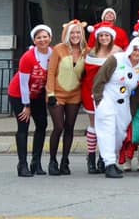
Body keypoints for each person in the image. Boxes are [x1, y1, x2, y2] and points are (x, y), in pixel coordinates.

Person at [93, 37, 139, 178]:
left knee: (119, 135)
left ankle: (109, 160)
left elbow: (138, 91)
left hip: (123, 104)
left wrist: (132, 110)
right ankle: (109, 163)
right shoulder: (116, 60)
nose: (137, 53)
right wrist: (99, 100)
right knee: (108, 130)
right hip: (107, 99)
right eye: (135, 49)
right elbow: (100, 79)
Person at [9, 25, 53, 177]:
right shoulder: (27, 57)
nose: (42, 40)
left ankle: (36, 162)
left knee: (42, 124)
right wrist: (26, 106)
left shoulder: (52, 54)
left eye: (45, 36)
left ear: (50, 38)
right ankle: (22, 164)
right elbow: (22, 84)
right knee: (24, 125)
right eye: (38, 37)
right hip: (19, 94)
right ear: (34, 40)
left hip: (37, 94)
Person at [45, 20, 86, 176]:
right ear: (67, 34)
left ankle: (65, 161)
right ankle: (52, 160)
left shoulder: (86, 51)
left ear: (82, 34)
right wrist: (50, 93)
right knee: (59, 127)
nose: (75, 35)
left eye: (78, 32)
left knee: (69, 127)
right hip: (57, 94)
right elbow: (51, 72)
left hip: (75, 95)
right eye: (72, 33)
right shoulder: (58, 49)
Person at [82, 22, 117, 174]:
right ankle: (90, 158)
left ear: (111, 37)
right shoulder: (90, 52)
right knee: (94, 126)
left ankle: (104, 159)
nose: (104, 38)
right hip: (91, 91)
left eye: (107, 35)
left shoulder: (117, 51)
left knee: (108, 127)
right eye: (101, 35)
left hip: (110, 93)